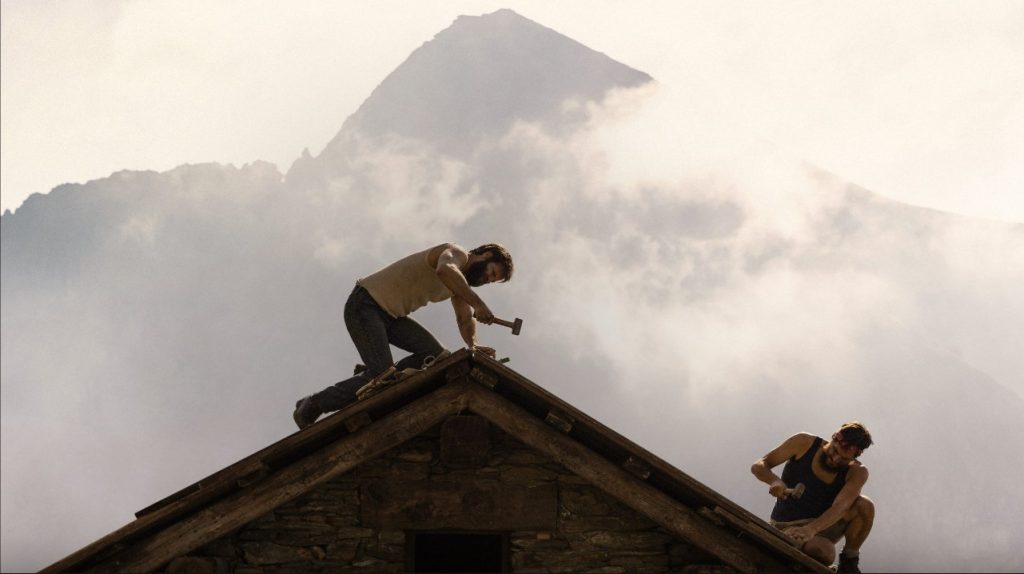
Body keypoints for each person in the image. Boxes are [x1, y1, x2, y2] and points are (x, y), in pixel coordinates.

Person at [293, 242, 514, 429]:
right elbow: (444, 269)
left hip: (390, 317)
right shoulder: (456, 253)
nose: (487, 280)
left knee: (437, 357)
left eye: (492, 280)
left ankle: (378, 372)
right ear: (485, 254)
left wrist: (474, 346)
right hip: (365, 304)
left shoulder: (459, 285)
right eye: (492, 272)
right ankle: (315, 403)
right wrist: (479, 303)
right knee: (382, 379)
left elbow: (465, 319)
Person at [751, 421, 875, 573]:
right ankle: (792, 544)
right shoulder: (803, 443)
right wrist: (774, 481)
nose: (836, 460)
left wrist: (811, 529)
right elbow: (759, 465)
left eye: (844, 459)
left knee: (865, 505)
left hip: (820, 525)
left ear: (854, 456)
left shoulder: (857, 472)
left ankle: (849, 562)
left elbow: (840, 507)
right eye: (835, 451)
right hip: (787, 525)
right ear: (834, 438)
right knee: (824, 552)